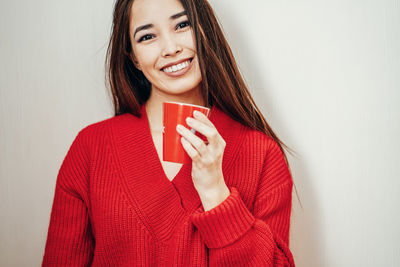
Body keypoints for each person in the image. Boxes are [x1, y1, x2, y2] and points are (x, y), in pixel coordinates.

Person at [42, 0, 295, 266]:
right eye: (148, 36)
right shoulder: (90, 148)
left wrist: (216, 194)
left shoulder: (263, 154)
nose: (171, 48)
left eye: (182, 25)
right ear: (134, 58)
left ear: (205, 30)